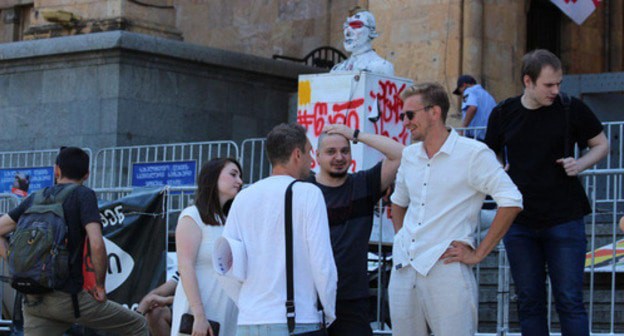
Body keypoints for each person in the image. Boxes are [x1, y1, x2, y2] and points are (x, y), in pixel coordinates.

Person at [485, 49, 609, 336]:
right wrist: (499, 168)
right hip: (519, 220)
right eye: (548, 85)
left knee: (570, 301)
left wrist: (579, 164)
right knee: (529, 302)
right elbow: (488, 152)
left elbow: (601, 144)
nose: (555, 90)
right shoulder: (503, 112)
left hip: (565, 218)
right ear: (528, 81)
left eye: (559, 84)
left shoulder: (570, 108)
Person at [388, 82, 523, 336]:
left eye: (410, 114)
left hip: (447, 267)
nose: (404, 121)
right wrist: (400, 239)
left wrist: (479, 253)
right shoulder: (409, 155)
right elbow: (398, 202)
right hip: (404, 267)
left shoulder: (473, 154)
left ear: (434, 113)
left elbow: (512, 200)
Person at [0, 147, 148, 335]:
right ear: (86, 175)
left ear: (56, 170)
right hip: (69, 300)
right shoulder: (83, 195)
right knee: (138, 325)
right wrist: (100, 286)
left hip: (33, 300)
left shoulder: (35, 198)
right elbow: (96, 243)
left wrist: (15, 261)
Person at [222, 123, 337, 335]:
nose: (312, 160)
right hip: (297, 320)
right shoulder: (309, 194)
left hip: (248, 322)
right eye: (309, 152)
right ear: (296, 154)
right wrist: (329, 312)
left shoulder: (243, 198)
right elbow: (323, 265)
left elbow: (223, 264)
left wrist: (248, 304)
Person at [307, 123, 403, 335]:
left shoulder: (364, 184)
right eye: (331, 152)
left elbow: (399, 153)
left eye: (345, 150)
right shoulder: (304, 189)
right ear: (317, 156)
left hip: (352, 299)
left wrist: (356, 134)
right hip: (310, 299)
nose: (339, 157)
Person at [171, 158, 243, 336]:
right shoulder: (192, 216)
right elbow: (185, 266)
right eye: (233, 175)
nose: (240, 181)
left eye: (240, 176)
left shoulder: (231, 221)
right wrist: (199, 315)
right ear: (213, 177)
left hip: (228, 310)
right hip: (199, 309)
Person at [331, 7, 394, 76]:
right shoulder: (337, 69)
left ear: (371, 31)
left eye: (356, 25)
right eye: (346, 26)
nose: (347, 32)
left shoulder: (382, 67)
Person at [452, 74, 496, 141]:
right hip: (490, 136)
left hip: (476, 137)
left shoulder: (469, 91)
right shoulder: (487, 95)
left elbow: (472, 107)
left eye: (460, 92)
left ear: (464, 85)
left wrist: (463, 129)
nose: (461, 95)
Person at [137, 271, 179, 336]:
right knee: (156, 312)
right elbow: (157, 294)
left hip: (195, 312)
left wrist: (167, 300)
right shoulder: (183, 270)